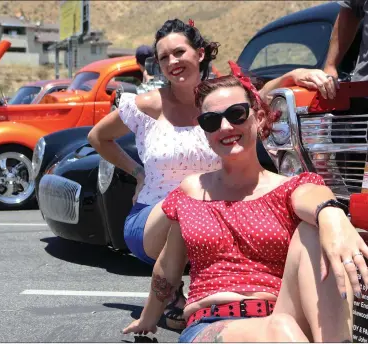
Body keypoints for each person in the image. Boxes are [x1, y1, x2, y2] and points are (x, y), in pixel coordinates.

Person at [88, 18, 348, 330]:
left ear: (199, 53)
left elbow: (255, 98)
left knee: (238, 217)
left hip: (216, 207)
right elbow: (97, 137)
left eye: (179, 52)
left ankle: (243, 296)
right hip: (154, 217)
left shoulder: (220, 98)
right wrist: (137, 173)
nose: (172, 62)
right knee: (187, 201)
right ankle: (172, 297)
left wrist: (293, 75)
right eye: (163, 57)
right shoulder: (148, 104)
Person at [121, 63, 368, 342]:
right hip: (212, 322)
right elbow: (168, 266)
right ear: (204, 131)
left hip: (282, 314)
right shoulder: (192, 191)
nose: (225, 126)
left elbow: (313, 196)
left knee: (314, 230)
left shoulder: (287, 188)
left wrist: (332, 216)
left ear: (259, 118)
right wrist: (148, 318)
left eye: (236, 114)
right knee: (280, 330)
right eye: (211, 121)